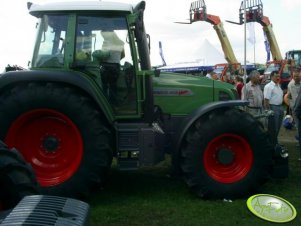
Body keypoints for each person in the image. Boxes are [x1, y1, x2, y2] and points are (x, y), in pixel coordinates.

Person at [263, 70, 284, 145]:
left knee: (278, 126)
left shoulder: (278, 85)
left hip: (280, 107)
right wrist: (268, 111)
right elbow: (266, 100)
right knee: (273, 127)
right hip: (273, 107)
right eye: (276, 76)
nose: (278, 78)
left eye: (279, 76)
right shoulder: (269, 86)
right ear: (272, 77)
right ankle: (272, 143)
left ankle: (274, 141)